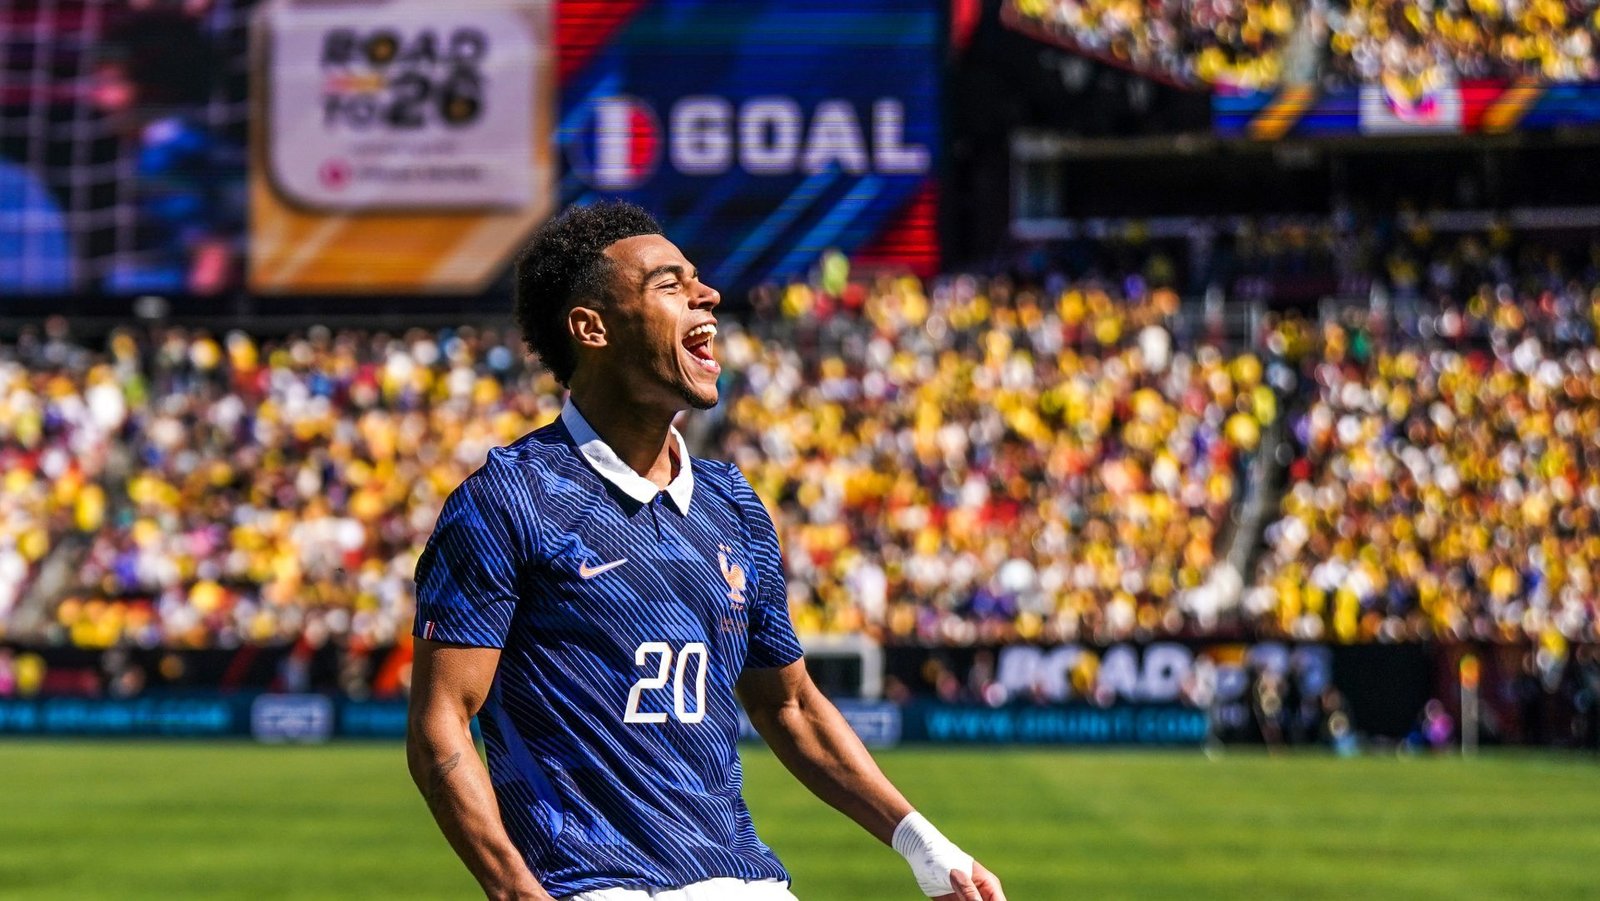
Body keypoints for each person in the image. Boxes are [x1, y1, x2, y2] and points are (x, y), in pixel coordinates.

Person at [406, 202, 1005, 901]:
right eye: (669, 283)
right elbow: (440, 719)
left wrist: (926, 846)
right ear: (591, 326)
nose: (708, 294)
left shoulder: (733, 502)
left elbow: (792, 706)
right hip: (594, 886)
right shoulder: (507, 499)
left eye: (698, 279)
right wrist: (514, 890)